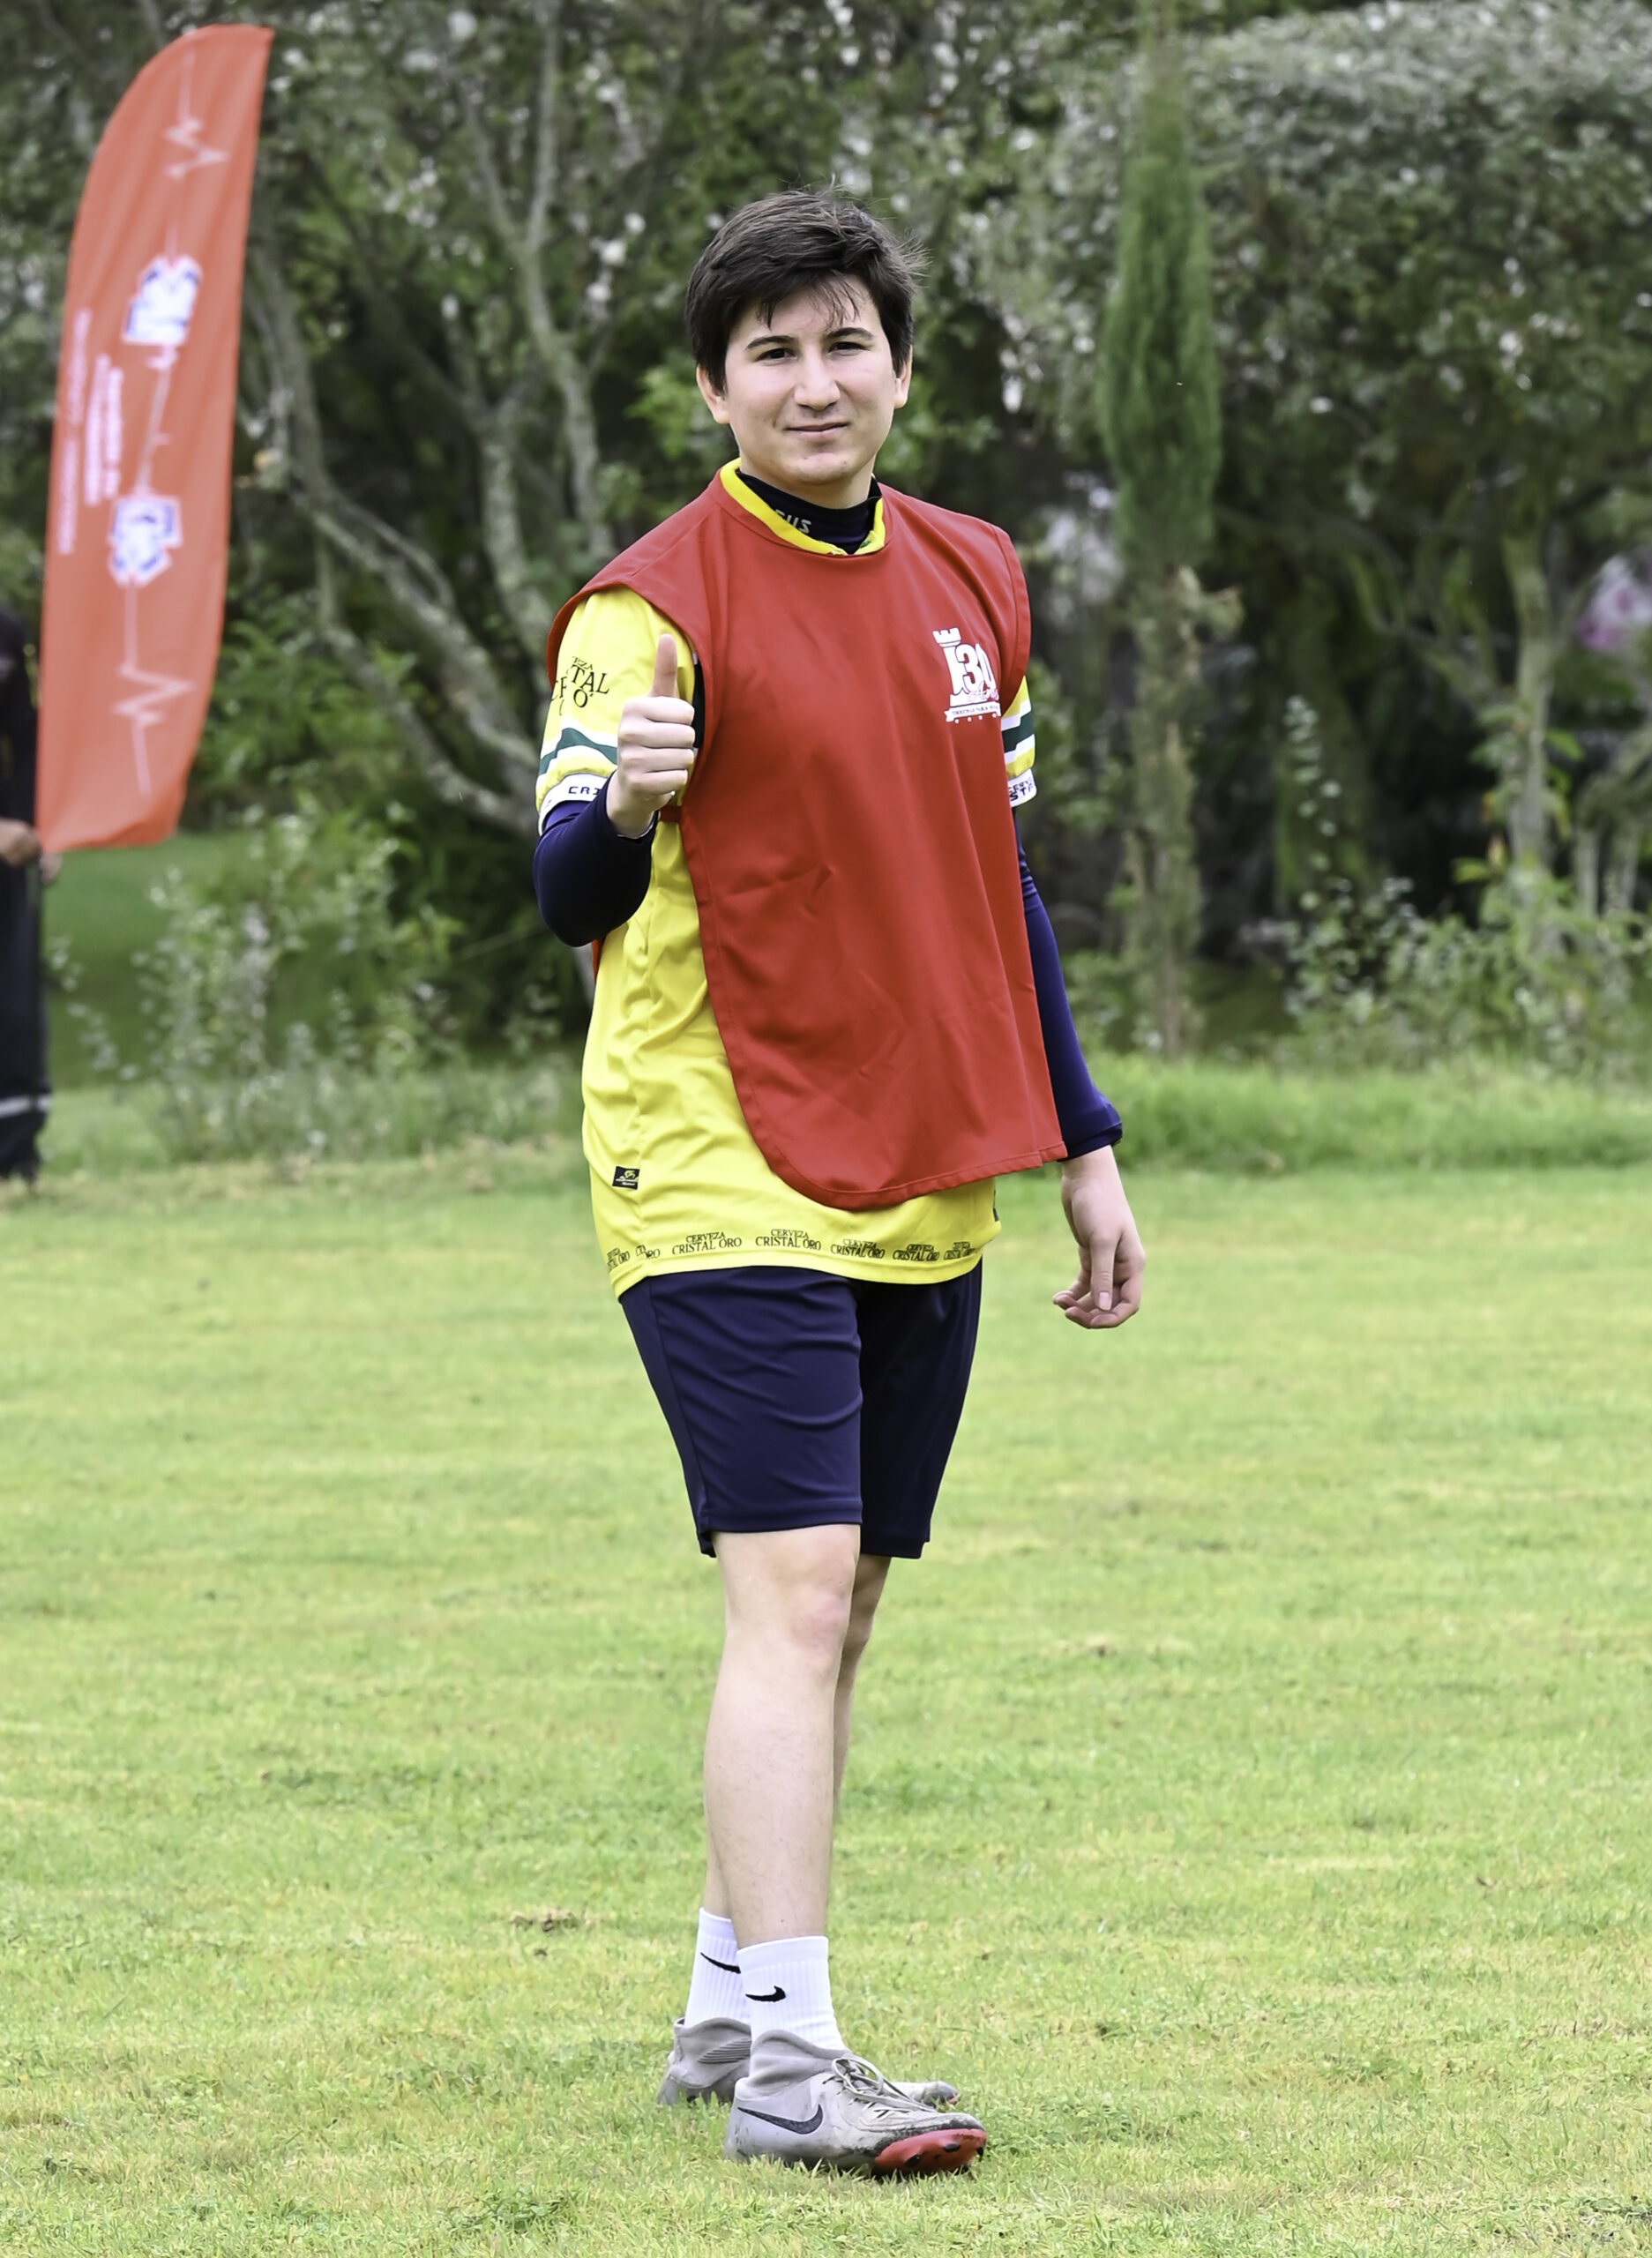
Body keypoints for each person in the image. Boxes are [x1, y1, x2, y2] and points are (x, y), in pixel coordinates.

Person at [533, 192, 1145, 2177]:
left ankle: (728, 2002)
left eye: (843, 343)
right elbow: (560, 884)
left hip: (920, 1143)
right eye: (771, 352)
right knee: (790, 1590)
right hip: (713, 1145)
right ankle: (797, 2066)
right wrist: (625, 798)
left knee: (849, 1593)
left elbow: (1001, 878)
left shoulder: (975, 579)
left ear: (896, 366)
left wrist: (1082, 1139)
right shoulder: (644, 610)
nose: (814, 381)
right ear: (714, 392)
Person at [0, 605, 56, 1183]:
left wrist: (50, 827)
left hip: (9, 875)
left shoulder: (8, 634)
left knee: (15, 1012)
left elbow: (30, 746)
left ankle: (16, 1151)